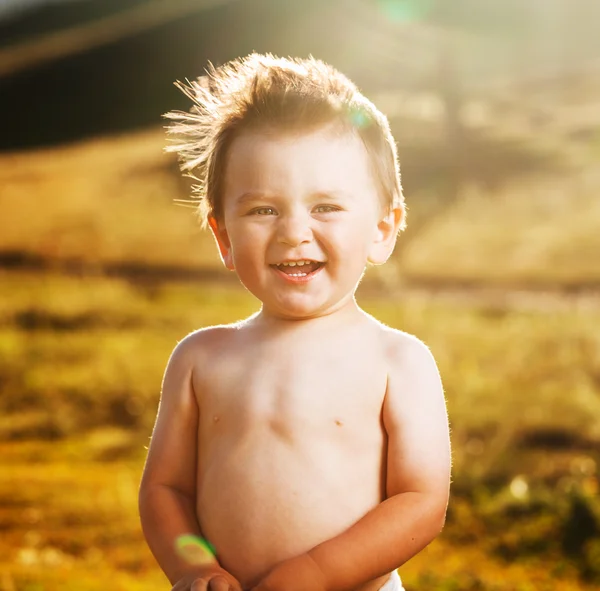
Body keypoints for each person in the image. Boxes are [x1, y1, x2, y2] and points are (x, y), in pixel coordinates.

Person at [138, 53, 451, 591]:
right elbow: (165, 490)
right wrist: (195, 568)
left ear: (381, 229)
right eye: (263, 210)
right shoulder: (201, 359)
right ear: (224, 237)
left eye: (326, 207)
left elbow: (421, 501)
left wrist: (316, 573)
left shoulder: (396, 361)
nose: (293, 233)